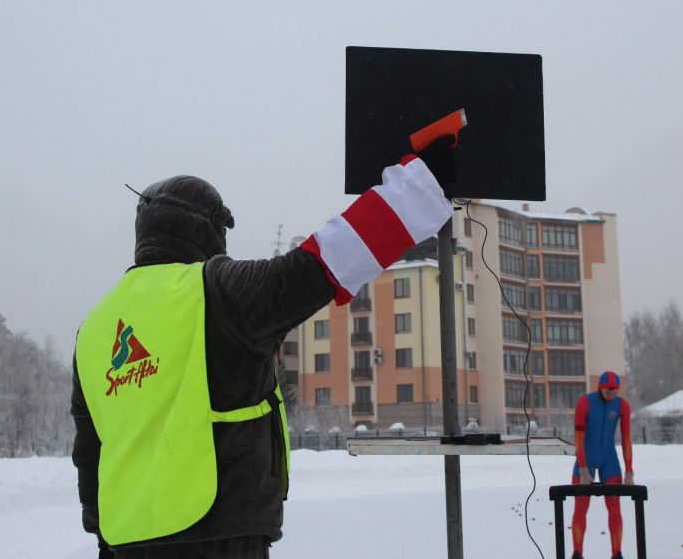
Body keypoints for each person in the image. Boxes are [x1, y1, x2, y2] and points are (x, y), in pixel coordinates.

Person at [70, 151, 453, 558]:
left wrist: (101, 531)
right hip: (216, 530)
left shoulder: (94, 327)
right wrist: (418, 189)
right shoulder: (217, 289)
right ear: (209, 231)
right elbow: (322, 263)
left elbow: (89, 447)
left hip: (125, 539)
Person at [570, 370, 634, 559]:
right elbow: (579, 437)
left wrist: (629, 470)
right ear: (600, 389)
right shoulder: (585, 402)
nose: (611, 396)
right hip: (586, 457)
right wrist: (582, 469)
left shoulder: (622, 405)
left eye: (614, 393)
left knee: (614, 508)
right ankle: (577, 553)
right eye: (608, 392)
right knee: (581, 508)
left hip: (609, 458)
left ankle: (617, 554)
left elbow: (626, 438)